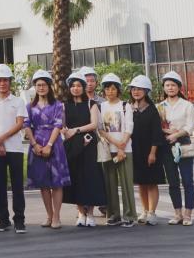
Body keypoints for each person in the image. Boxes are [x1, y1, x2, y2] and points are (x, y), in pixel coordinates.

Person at [0, 63, 28, 234]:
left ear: (10, 81)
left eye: (5, 80)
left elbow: (19, 124)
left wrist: (1, 139)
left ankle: (19, 220)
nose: (2, 83)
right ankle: (2, 220)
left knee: (17, 186)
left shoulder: (18, 101)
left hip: (15, 149)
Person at [60, 72, 106, 228]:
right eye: (73, 86)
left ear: (84, 87)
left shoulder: (91, 104)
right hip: (73, 146)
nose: (76, 88)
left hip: (89, 144)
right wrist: (65, 130)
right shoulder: (64, 106)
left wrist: (76, 130)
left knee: (91, 178)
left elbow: (94, 124)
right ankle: (81, 213)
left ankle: (91, 214)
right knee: (76, 178)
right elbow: (62, 125)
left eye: (79, 85)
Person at [25, 69, 69, 229]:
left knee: (56, 183)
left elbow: (58, 125)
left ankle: (57, 216)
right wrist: (35, 145)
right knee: (43, 183)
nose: (41, 88)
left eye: (44, 84)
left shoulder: (57, 105)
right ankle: (49, 215)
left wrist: (49, 145)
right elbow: (26, 126)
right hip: (36, 144)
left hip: (54, 144)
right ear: (35, 87)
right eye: (38, 85)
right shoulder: (29, 106)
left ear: (50, 86)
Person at [97, 73, 137, 227]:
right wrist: (115, 143)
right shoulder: (101, 107)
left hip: (125, 150)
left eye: (113, 88)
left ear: (118, 90)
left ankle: (129, 215)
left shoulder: (126, 106)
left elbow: (129, 127)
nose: (110, 91)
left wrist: (122, 146)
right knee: (110, 183)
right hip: (108, 149)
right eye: (107, 89)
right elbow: (101, 129)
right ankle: (114, 215)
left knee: (126, 183)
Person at [159, 70, 194, 226]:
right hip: (167, 145)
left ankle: (188, 215)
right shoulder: (159, 107)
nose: (170, 88)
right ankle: (177, 214)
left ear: (179, 87)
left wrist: (176, 134)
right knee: (173, 182)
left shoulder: (187, 105)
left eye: (173, 85)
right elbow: (157, 126)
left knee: (187, 181)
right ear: (164, 88)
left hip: (183, 144)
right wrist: (168, 133)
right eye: (167, 85)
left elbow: (190, 126)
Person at [128, 75, 164, 225]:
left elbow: (157, 134)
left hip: (150, 151)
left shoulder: (152, 110)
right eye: (133, 89)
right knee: (141, 183)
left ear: (146, 91)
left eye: (139, 89)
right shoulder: (128, 109)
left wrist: (153, 153)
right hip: (135, 151)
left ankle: (152, 212)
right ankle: (144, 210)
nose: (136, 92)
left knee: (151, 182)